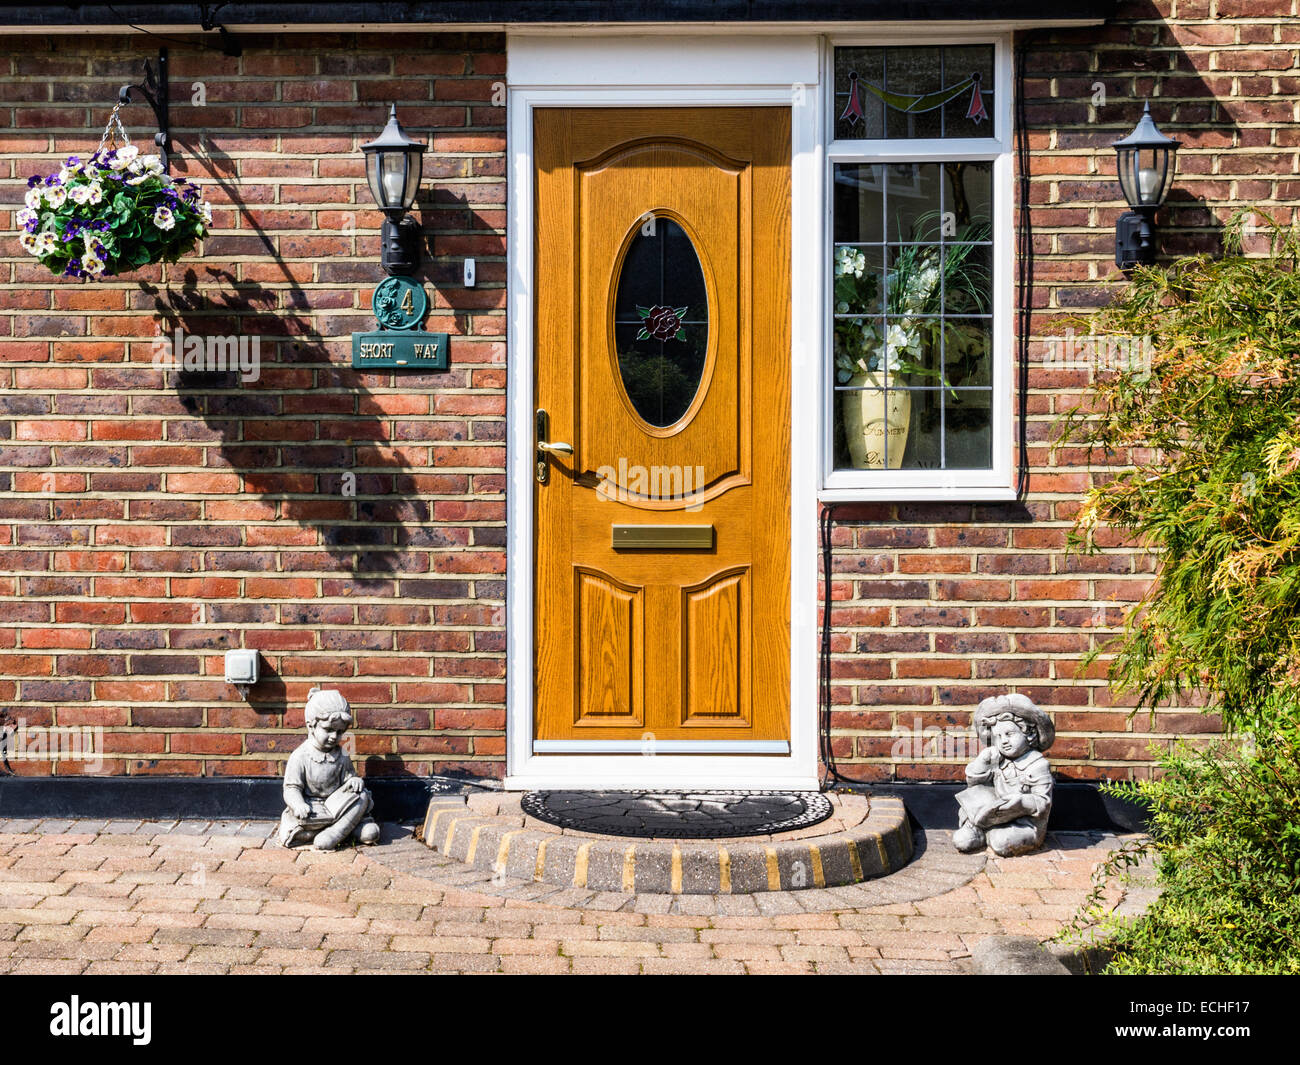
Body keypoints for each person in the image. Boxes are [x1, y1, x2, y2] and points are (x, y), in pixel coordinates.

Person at [278, 687, 380, 850]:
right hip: (313, 810)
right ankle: (343, 830)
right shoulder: (300, 756)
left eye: (340, 732)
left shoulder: (342, 754)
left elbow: (349, 780)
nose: (334, 736)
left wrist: (354, 781)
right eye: (329, 730)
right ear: (311, 726)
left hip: (338, 806)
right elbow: (291, 788)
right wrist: (298, 805)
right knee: (299, 831)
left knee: (362, 797)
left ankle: (334, 833)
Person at [953, 693, 1055, 857]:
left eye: (1009, 734)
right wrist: (983, 762)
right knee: (962, 840)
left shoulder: (1037, 764)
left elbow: (1043, 803)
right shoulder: (997, 758)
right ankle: (977, 829)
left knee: (1001, 842)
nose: (1004, 741)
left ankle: (988, 835)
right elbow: (973, 783)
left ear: (1028, 733)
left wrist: (1021, 801)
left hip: (1024, 823)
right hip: (992, 815)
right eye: (998, 736)